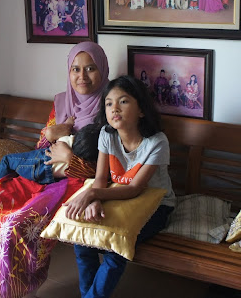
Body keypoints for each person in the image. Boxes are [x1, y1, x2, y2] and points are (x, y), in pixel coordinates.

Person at [0, 43, 110, 298]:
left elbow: (108, 168)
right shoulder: (62, 102)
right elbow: (42, 148)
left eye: (90, 68)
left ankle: (24, 289)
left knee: (18, 223)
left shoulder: (110, 108)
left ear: (102, 69)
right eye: (75, 69)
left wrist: (71, 160)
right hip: (43, 172)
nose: (82, 76)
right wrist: (51, 133)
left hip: (77, 183)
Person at [67, 75, 176, 298]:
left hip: (156, 205)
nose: (114, 108)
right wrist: (94, 200)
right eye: (109, 104)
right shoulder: (107, 135)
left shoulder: (157, 142)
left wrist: (92, 194)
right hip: (118, 197)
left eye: (123, 101)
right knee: (82, 239)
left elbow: (136, 188)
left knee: (116, 245)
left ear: (141, 110)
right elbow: (100, 178)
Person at [0, 121, 102, 186]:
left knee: (7, 160)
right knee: (17, 169)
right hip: (50, 177)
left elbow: (54, 138)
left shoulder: (69, 141)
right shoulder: (91, 166)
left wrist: (67, 125)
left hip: (41, 161)